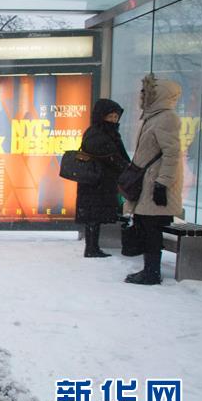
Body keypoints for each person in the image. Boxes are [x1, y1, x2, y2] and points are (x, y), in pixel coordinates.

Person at [124, 74, 183, 285]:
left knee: (151, 228)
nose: (141, 96)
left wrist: (162, 183)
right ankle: (149, 270)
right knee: (146, 226)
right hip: (149, 182)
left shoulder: (166, 118)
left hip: (155, 183)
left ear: (157, 95)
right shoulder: (154, 117)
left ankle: (151, 272)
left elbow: (172, 154)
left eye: (146, 93)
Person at [75, 99, 130, 257]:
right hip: (96, 183)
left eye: (116, 117)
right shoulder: (99, 135)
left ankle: (93, 247)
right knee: (94, 215)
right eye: (110, 117)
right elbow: (112, 157)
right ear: (102, 116)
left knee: (95, 215)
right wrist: (126, 167)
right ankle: (92, 248)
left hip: (97, 182)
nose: (113, 120)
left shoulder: (102, 133)